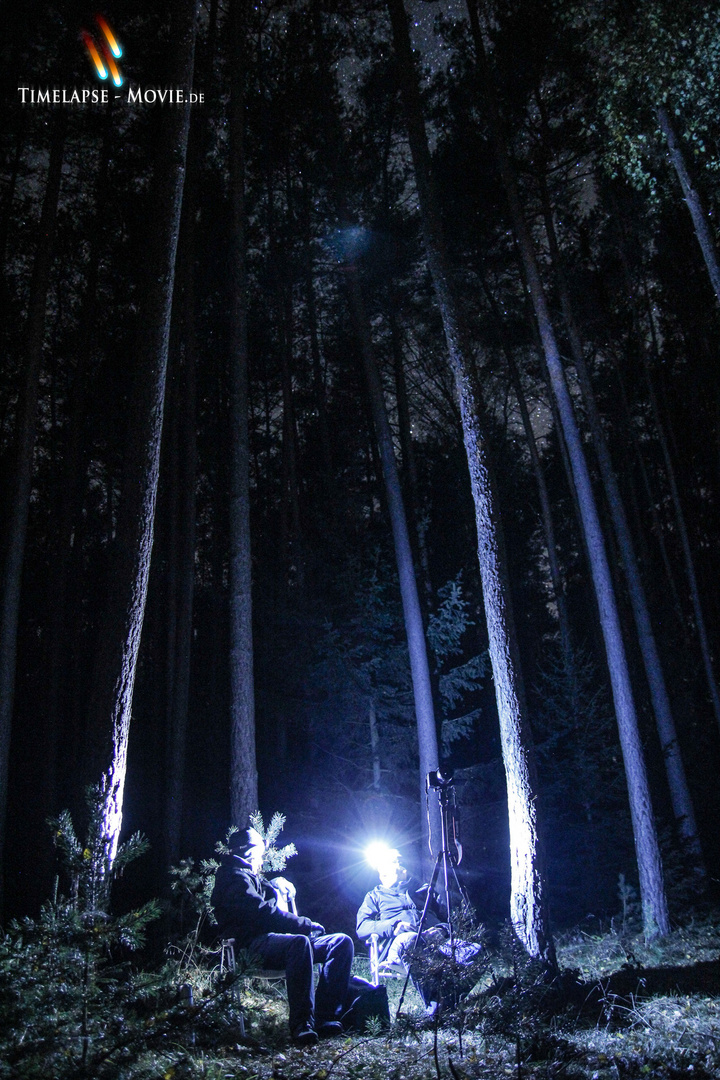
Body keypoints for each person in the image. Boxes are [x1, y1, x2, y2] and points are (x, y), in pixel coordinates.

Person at [212, 827, 354, 1047]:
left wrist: (277, 882)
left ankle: (325, 1017)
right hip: (249, 947)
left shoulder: (250, 875)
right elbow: (262, 913)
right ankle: (302, 1025)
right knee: (299, 943)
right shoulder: (231, 878)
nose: (262, 857)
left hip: (274, 941)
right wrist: (304, 925)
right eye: (260, 850)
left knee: (340, 943)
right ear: (250, 851)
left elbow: (270, 900)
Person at [356, 847, 448, 1011]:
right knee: (411, 940)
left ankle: (450, 1001)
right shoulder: (375, 895)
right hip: (400, 946)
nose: (381, 870)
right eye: (380, 868)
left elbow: (449, 920)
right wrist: (394, 926)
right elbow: (362, 927)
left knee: (476, 949)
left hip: (435, 945)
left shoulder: (426, 891)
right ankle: (435, 1006)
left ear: (403, 868)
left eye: (388, 864)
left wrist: (442, 930)